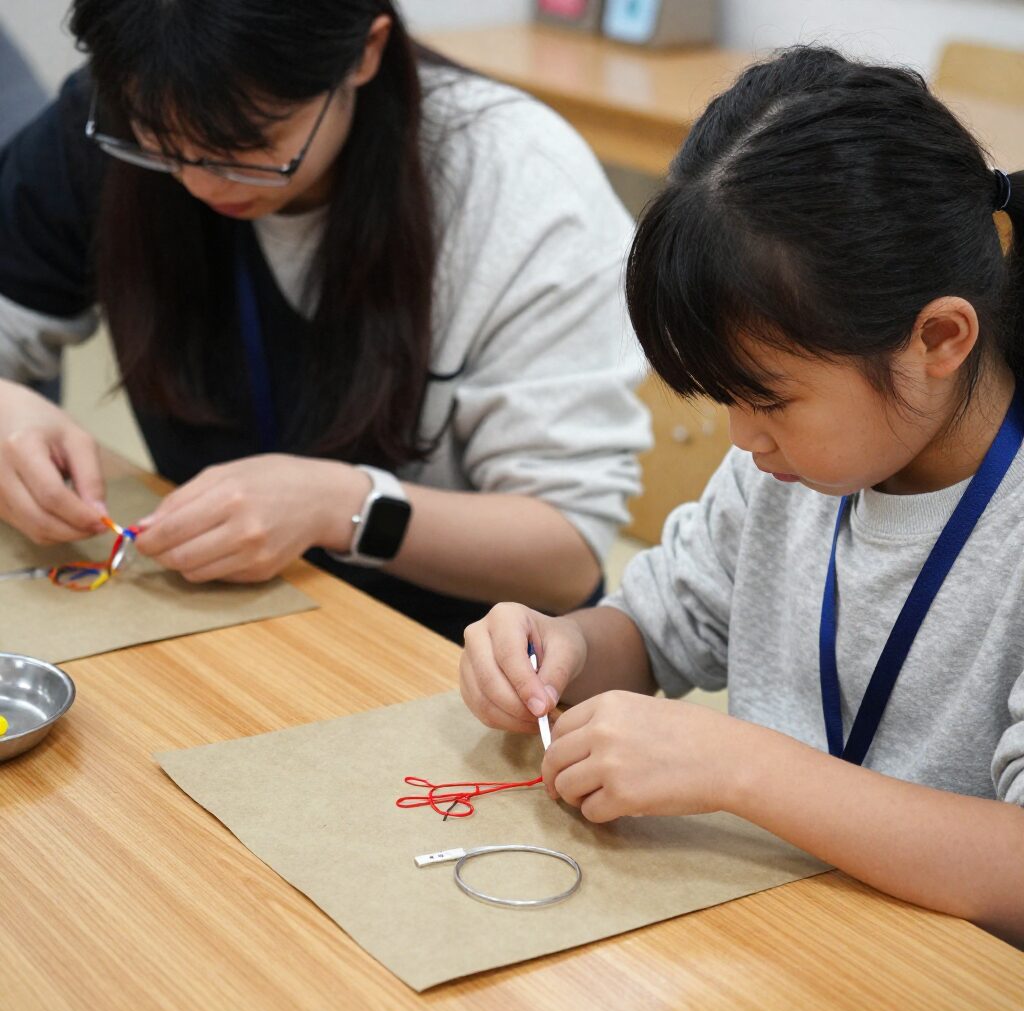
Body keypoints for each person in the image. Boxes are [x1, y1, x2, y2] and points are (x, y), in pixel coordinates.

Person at [459, 46, 1024, 942]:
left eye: (768, 398)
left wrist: (747, 770)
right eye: (726, 399)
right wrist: (556, 647)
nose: (741, 437)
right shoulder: (792, 466)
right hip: (774, 938)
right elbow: (652, 632)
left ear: (940, 339)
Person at [0, 0, 649, 642]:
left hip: (463, 655)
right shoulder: (113, 115)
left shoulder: (519, 183)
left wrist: (344, 506)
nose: (200, 182)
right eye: (164, 147)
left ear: (365, 53)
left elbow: (566, 557)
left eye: (249, 145)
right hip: (226, 624)